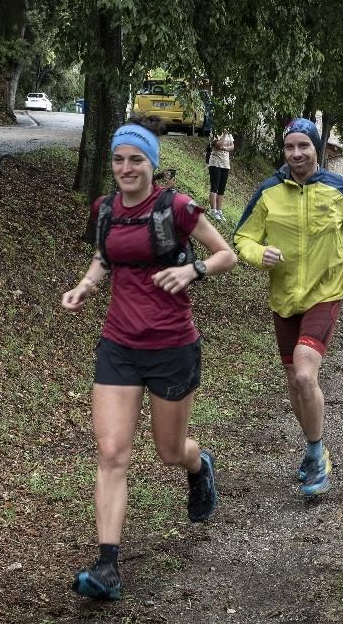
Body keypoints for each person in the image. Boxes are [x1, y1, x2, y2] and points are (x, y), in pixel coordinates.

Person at [62, 115, 238, 601]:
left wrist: (193, 272)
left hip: (171, 347)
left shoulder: (176, 207)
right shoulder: (105, 209)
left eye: (135, 159)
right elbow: (105, 255)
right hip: (119, 345)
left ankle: (198, 466)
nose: (125, 167)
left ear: (152, 164)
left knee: (168, 452)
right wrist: (85, 286)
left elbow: (227, 254)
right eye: (118, 159)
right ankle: (107, 566)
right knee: (112, 453)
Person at [234, 118, 343, 496]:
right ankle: (315, 447)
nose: (296, 153)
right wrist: (257, 253)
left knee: (303, 374)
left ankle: (316, 455)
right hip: (283, 299)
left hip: (325, 292)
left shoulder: (338, 188)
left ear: (317, 148)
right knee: (295, 384)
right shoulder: (268, 192)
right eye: (290, 147)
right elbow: (242, 237)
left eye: (304, 146)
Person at [207, 132, 234, 221]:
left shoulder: (230, 134)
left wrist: (225, 148)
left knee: (222, 189)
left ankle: (219, 211)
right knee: (215, 187)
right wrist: (224, 135)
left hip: (225, 164)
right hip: (215, 163)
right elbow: (218, 145)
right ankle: (213, 210)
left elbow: (232, 146)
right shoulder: (215, 131)